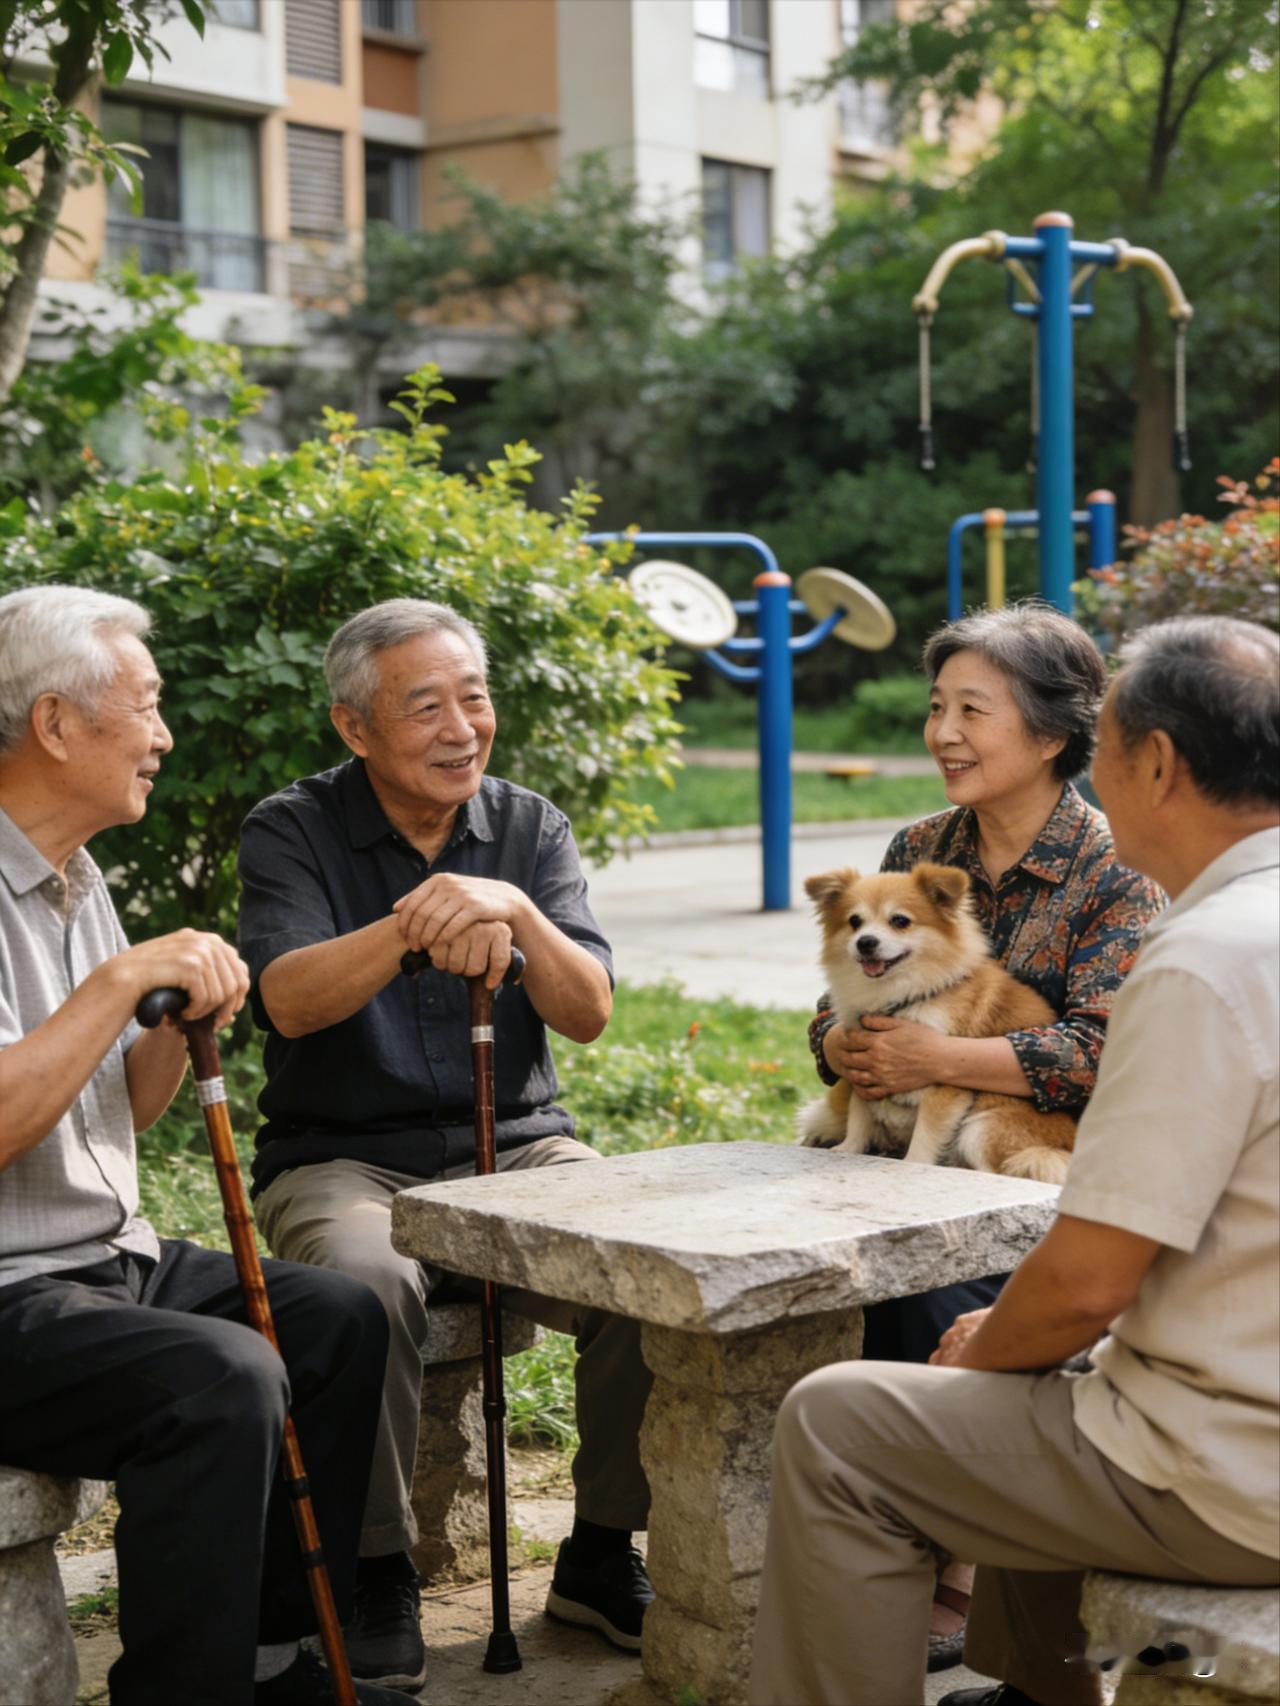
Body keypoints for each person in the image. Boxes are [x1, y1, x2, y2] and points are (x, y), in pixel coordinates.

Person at [751, 613, 1280, 1706]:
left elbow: (1087, 1278)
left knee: (835, 1419)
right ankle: (1039, 1690)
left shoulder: (1193, 961)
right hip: (1236, 1390)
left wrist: (995, 1340)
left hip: (1230, 1467)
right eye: (934, 705)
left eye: (1101, 745)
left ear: (1154, 762)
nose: (944, 729)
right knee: (1033, 1372)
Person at [237, 597, 653, 1694]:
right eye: (424, 705)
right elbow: (285, 1000)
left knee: (647, 1257)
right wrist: (414, 920)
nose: (461, 725)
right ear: (354, 727)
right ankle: (380, 1566)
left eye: (473, 696)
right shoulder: (293, 828)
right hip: (340, 1157)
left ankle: (601, 1545)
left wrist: (512, 903)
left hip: (515, 1144)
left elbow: (588, 1010)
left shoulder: (529, 827)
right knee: (366, 1281)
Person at [0, 585, 399, 1706]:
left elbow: (118, 1102)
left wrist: (179, 1028)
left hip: (101, 1256)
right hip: (9, 1286)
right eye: (149, 704)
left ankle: (272, 1658)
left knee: (335, 1316)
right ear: (58, 723)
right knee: (223, 1375)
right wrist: (122, 982)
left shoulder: (79, 877)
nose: (166, 734)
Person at [806, 602, 1163, 1663]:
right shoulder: (916, 846)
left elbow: (1103, 1049)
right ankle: (875, 1527)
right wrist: (840, 1045)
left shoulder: (1113, 869)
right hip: (908, 1145)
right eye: (934, 707)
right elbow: (847, 990)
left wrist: (938, 1061)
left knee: (928, 1282)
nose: (943, 733)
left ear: (1050, 733)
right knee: (840, 1259)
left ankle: (961, 1560)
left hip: (1048, 1166)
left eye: (972, 709)